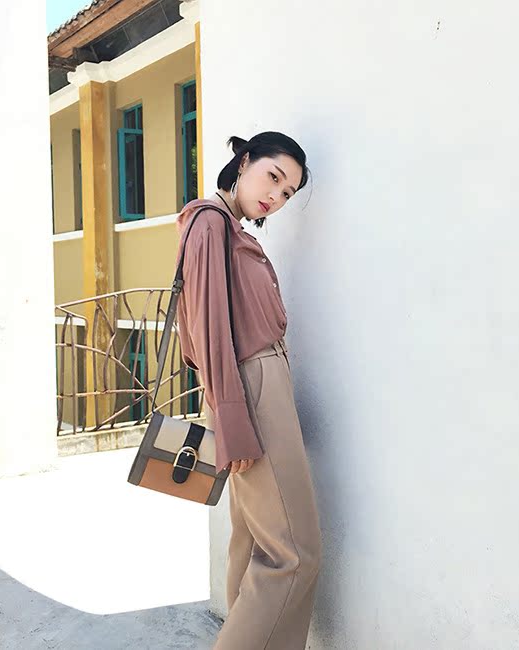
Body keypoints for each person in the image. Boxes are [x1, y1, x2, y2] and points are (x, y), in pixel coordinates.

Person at [174, 131, 322, 649]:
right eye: (272, 177)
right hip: (250, 389)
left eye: (287, 193)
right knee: (293, 554)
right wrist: (233, 418)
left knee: (256, 541)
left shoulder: (227, 227)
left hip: (255, 386)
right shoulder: (209, 223)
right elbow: (209, 328)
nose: (275, 197)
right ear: (244, 162)